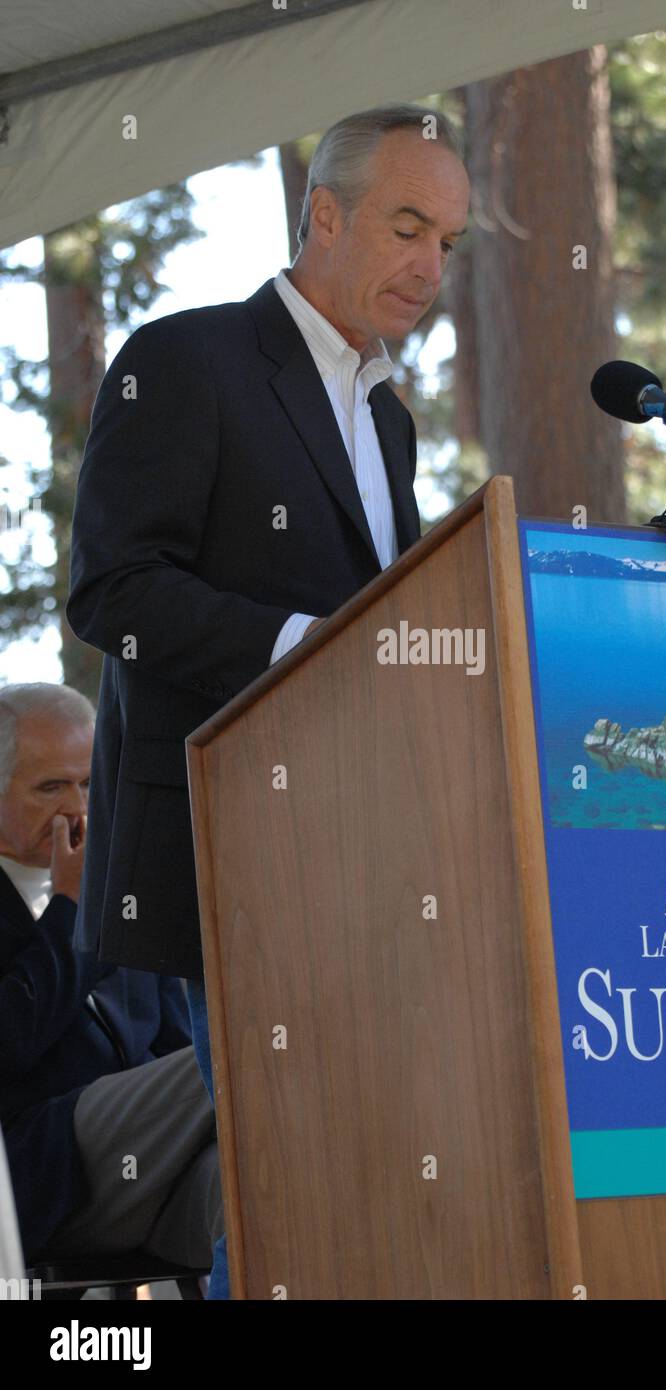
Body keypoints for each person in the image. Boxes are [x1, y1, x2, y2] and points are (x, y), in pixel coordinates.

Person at [66, 103, 471, 1299]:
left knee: (358, 1170)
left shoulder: (385, 418)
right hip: (227, 845)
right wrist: (310, 648)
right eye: (406, 227)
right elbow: (113, 589)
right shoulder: (185, 361)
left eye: (448, 242)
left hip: (366, 854)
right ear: (324, 215)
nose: (428, 267)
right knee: (287, 1175)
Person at [0, 684, 222, 1280]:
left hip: (148, 1176)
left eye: (90, 784)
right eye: (52, 787)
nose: (79, 810)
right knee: (237, 1048)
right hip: (39, 1181)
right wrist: (72, 908)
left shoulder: (125, 896)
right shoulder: (89, 900)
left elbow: (172, 1045)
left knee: (260, 1185)